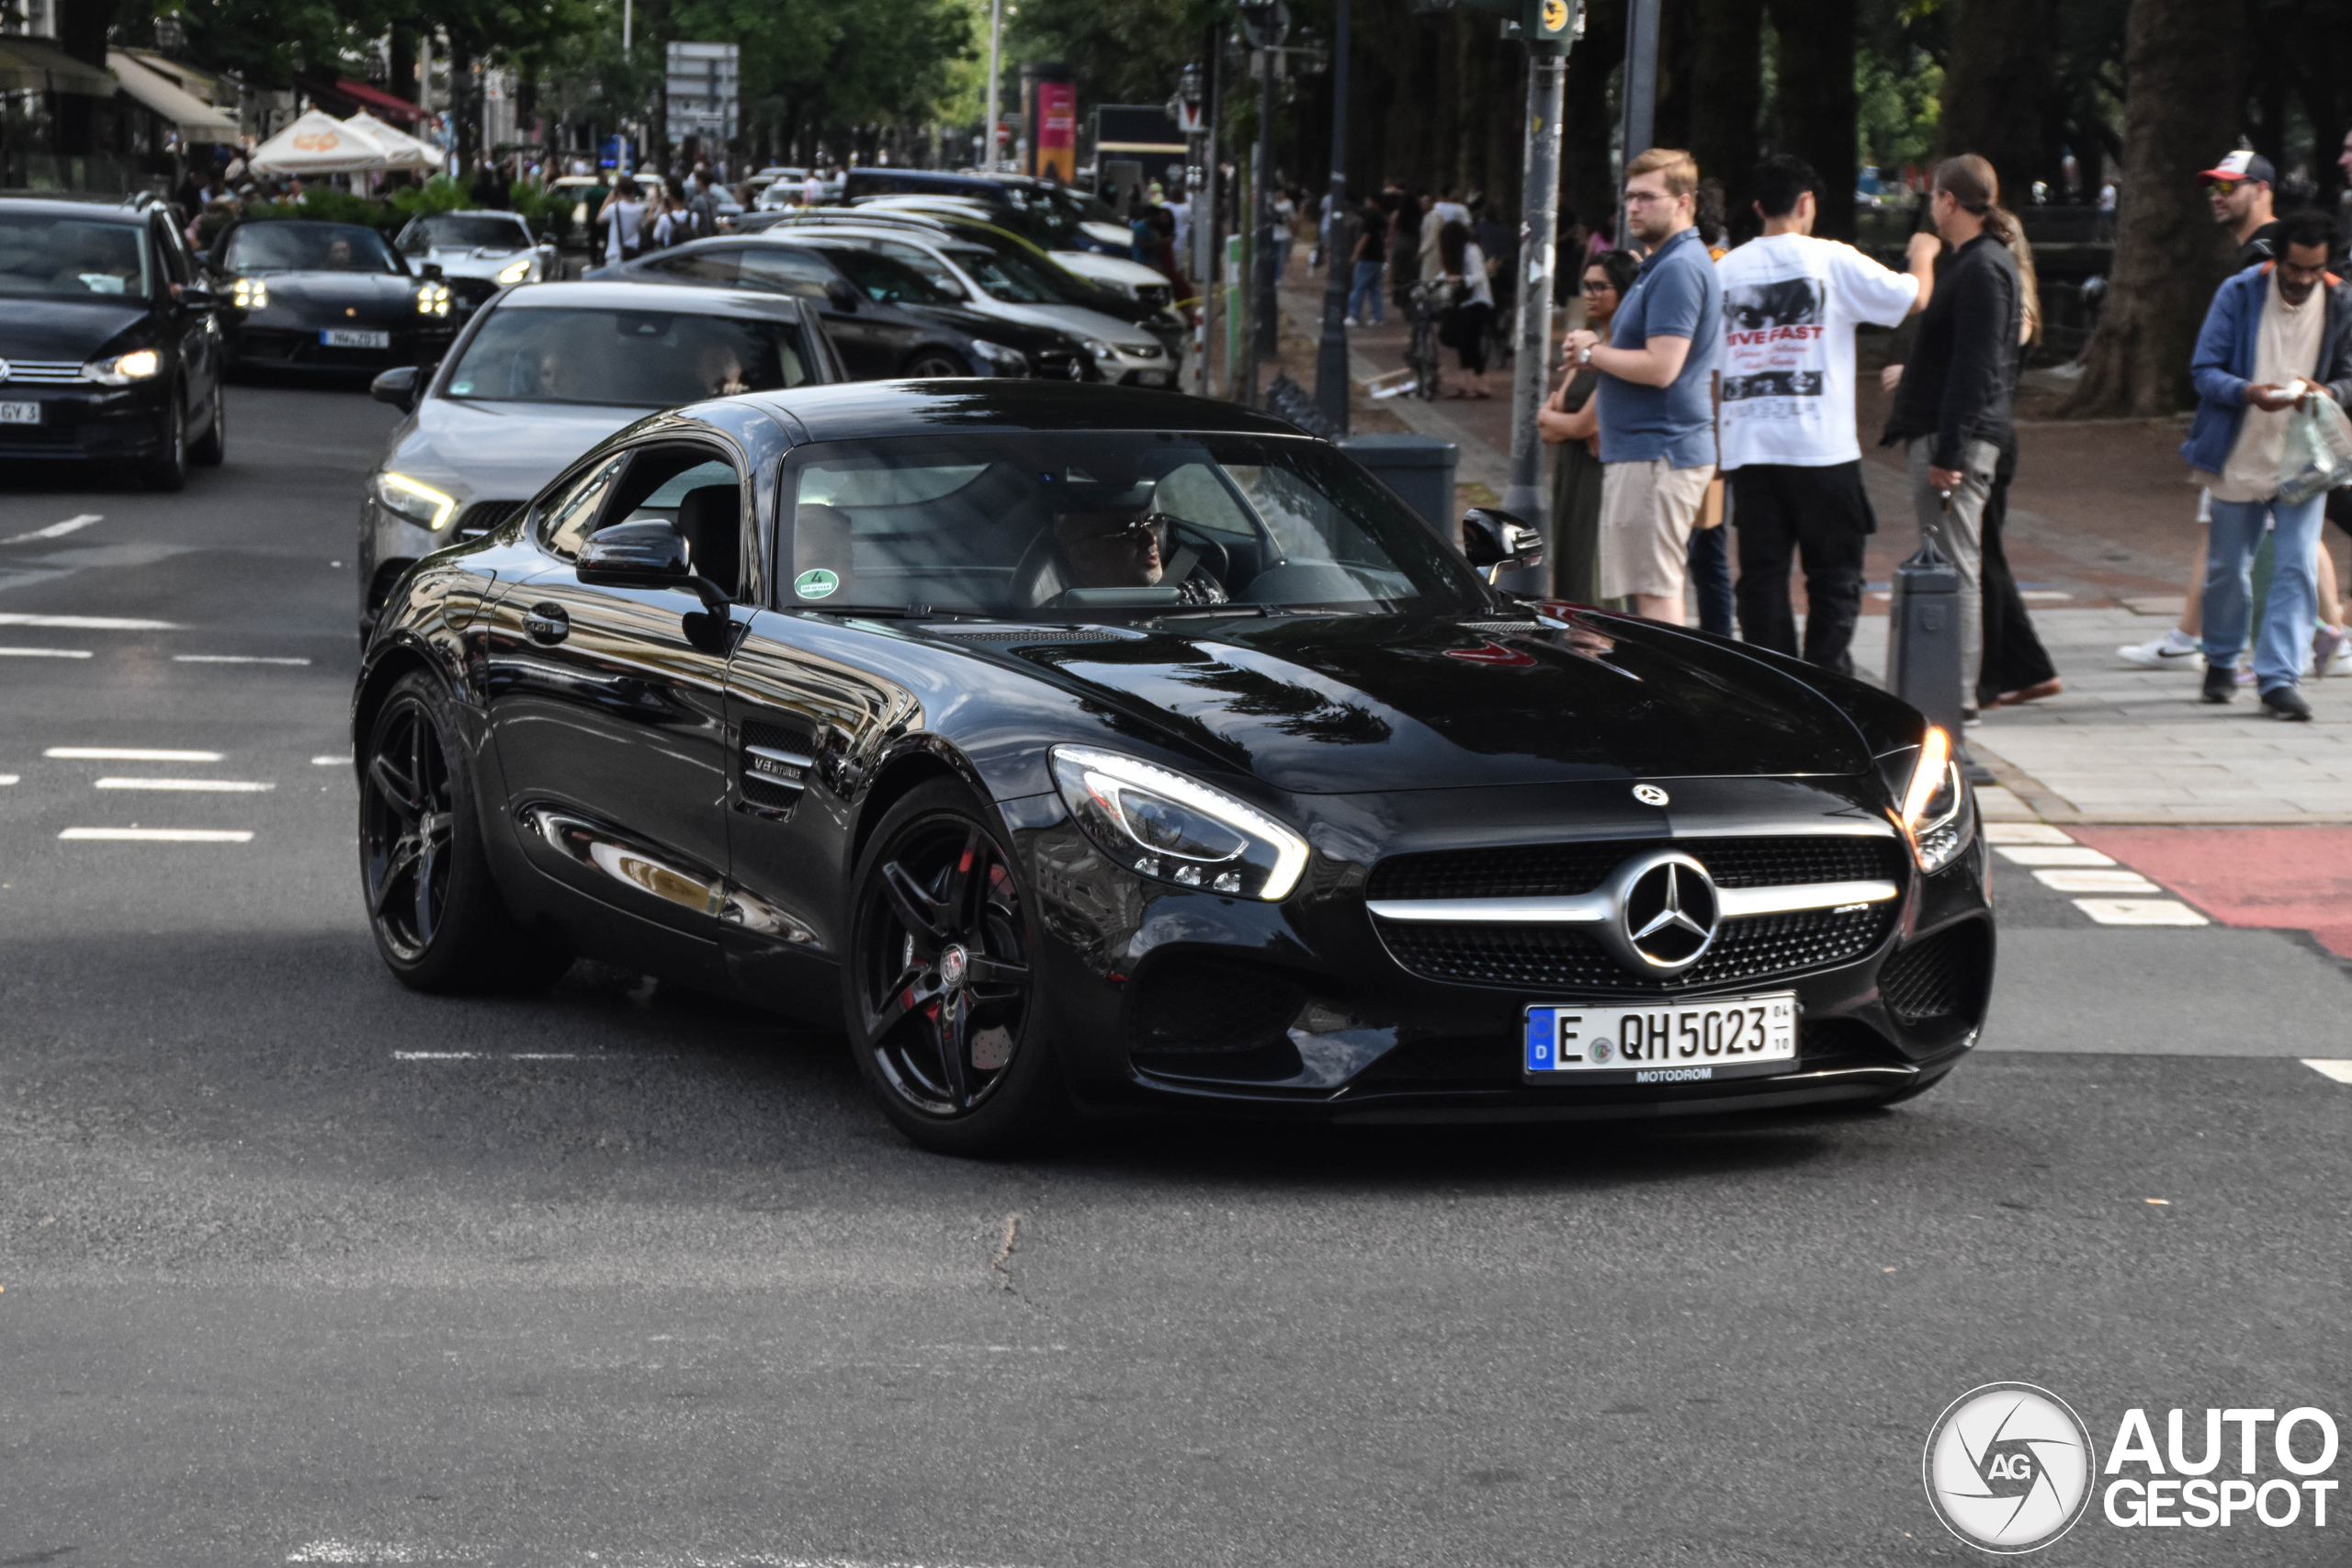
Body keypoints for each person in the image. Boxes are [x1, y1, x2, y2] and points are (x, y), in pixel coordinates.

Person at [1715, 152, 1938, 673]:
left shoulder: (1726, 271)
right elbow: (1911, 297)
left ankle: (1777, 681)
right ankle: (1827, 675)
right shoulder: (1832, 259)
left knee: (1762, 574)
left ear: (1757, 207)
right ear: (1807, 202)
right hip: (1821, 448)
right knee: (1835, 574)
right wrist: (1924, 252)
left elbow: (1710, 365)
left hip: (1750, 447)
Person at [2121, 150, 2290, 672]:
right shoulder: (2257, 253)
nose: (2218, 198)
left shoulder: (2268, 254)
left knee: (2265, 536)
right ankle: (2191, 635)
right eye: (2214, 189)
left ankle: (2230, 643)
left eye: (2229, 187)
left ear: (2262, 189)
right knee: (2248, 532)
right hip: (2251, 416)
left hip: (2255, 421)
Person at [2182, 209, 2352, 720]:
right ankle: (2222, 655)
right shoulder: (2238, 293)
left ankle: (2279, 677)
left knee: (2297, 563)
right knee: (2229, 568)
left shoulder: (2341, 301)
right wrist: (2248, 392)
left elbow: (2349, 373)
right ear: (2276, 259)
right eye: (2293, 268)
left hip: (2304, 457)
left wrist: (2331, 391)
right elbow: (2203, 370)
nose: (2302, 280)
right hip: (2239, 450)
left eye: (2312, 270)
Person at [1880, 152, 2024, 713]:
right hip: (1954, 431)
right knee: (1951, 557)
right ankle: (1952, 685)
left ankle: (1956, 692)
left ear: (1947, 200)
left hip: (1957, 437)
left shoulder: (1982, 267)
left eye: (1933, 197)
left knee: (1954, 562)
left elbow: (1976, 367)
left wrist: (1950, 449)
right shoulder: (1980, 262)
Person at [1562, 148, 1720, 625]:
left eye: (1647, 197)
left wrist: (1591, 352)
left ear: (1683, 202)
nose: (1633, 207)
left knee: (1654, 595)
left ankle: (1665, 696)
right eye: (1630, 197)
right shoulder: (1664, 263)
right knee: (1647, 592)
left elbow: (1662, 367)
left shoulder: (1678, 268)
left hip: (1658, 452)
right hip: (1648, 450)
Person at [1541, 248, 1642, 604]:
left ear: (1625, 290)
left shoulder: (1621, 352)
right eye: (1586, 286)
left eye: (1601, 287)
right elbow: (1546, 426)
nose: (1590, 295)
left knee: (1592, 582)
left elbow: (1583, 424)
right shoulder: (1588, 344)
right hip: (1572, 472)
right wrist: (1559, 421)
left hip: (1600, 478)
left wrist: (1559, 419)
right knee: (1570, 573)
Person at [1054, 509, 1227, 603]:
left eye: (1152, 521)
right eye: (1131, 530)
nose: (1151, 538)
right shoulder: (1055, 621)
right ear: (1084, 557)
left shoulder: (1197, 596)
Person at [1436, 220, 1495, 400]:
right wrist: (1439, 279)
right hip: (1464, 303)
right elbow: (1447, 274)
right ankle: (1467, 384)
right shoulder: (1457, 253)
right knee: (1465, 344)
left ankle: (1480, 384)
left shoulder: (1471, 250)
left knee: (1472, 344)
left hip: (1478, 301)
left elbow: (1479, 275)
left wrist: (1461, 280)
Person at [1346, 196, 1385, 326]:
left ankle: (1353, 315)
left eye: (1369, 201)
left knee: (1358, 287)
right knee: (1375, 289)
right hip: (1378, 257)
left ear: (1374, 202)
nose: (1366, 203)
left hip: (1367, 257)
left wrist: (1356, 253)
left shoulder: (1370, 218)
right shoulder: (1381, 217)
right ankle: (1378, 317)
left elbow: (1365, 237)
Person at [598, 178, 647, 267]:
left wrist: (609, 198)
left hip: (615, 254)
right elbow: (642, 226)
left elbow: (599, 220)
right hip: (633, 253)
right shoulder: (641, 209)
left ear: (619, 190)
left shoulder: (613, 208)